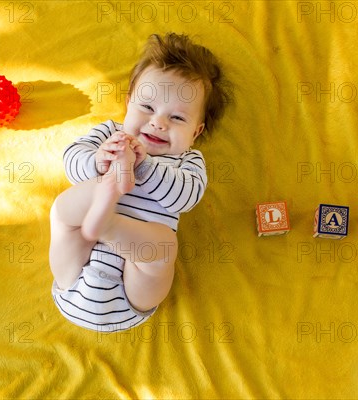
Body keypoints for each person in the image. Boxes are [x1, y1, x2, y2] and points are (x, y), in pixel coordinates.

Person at [49, 33, 230, 332]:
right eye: (147, 108)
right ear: (128, 104)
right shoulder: (109, 134)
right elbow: (72, 162)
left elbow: (185, 197)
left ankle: (107, 224)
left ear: (195, 133)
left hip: (131, 292)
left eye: (177, 118)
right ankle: (105, 195)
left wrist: (144, 166)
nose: (159, 123)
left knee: (163, 247)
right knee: (63, 210)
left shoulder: (187, 161)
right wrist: (100, 161)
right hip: (75, 270)